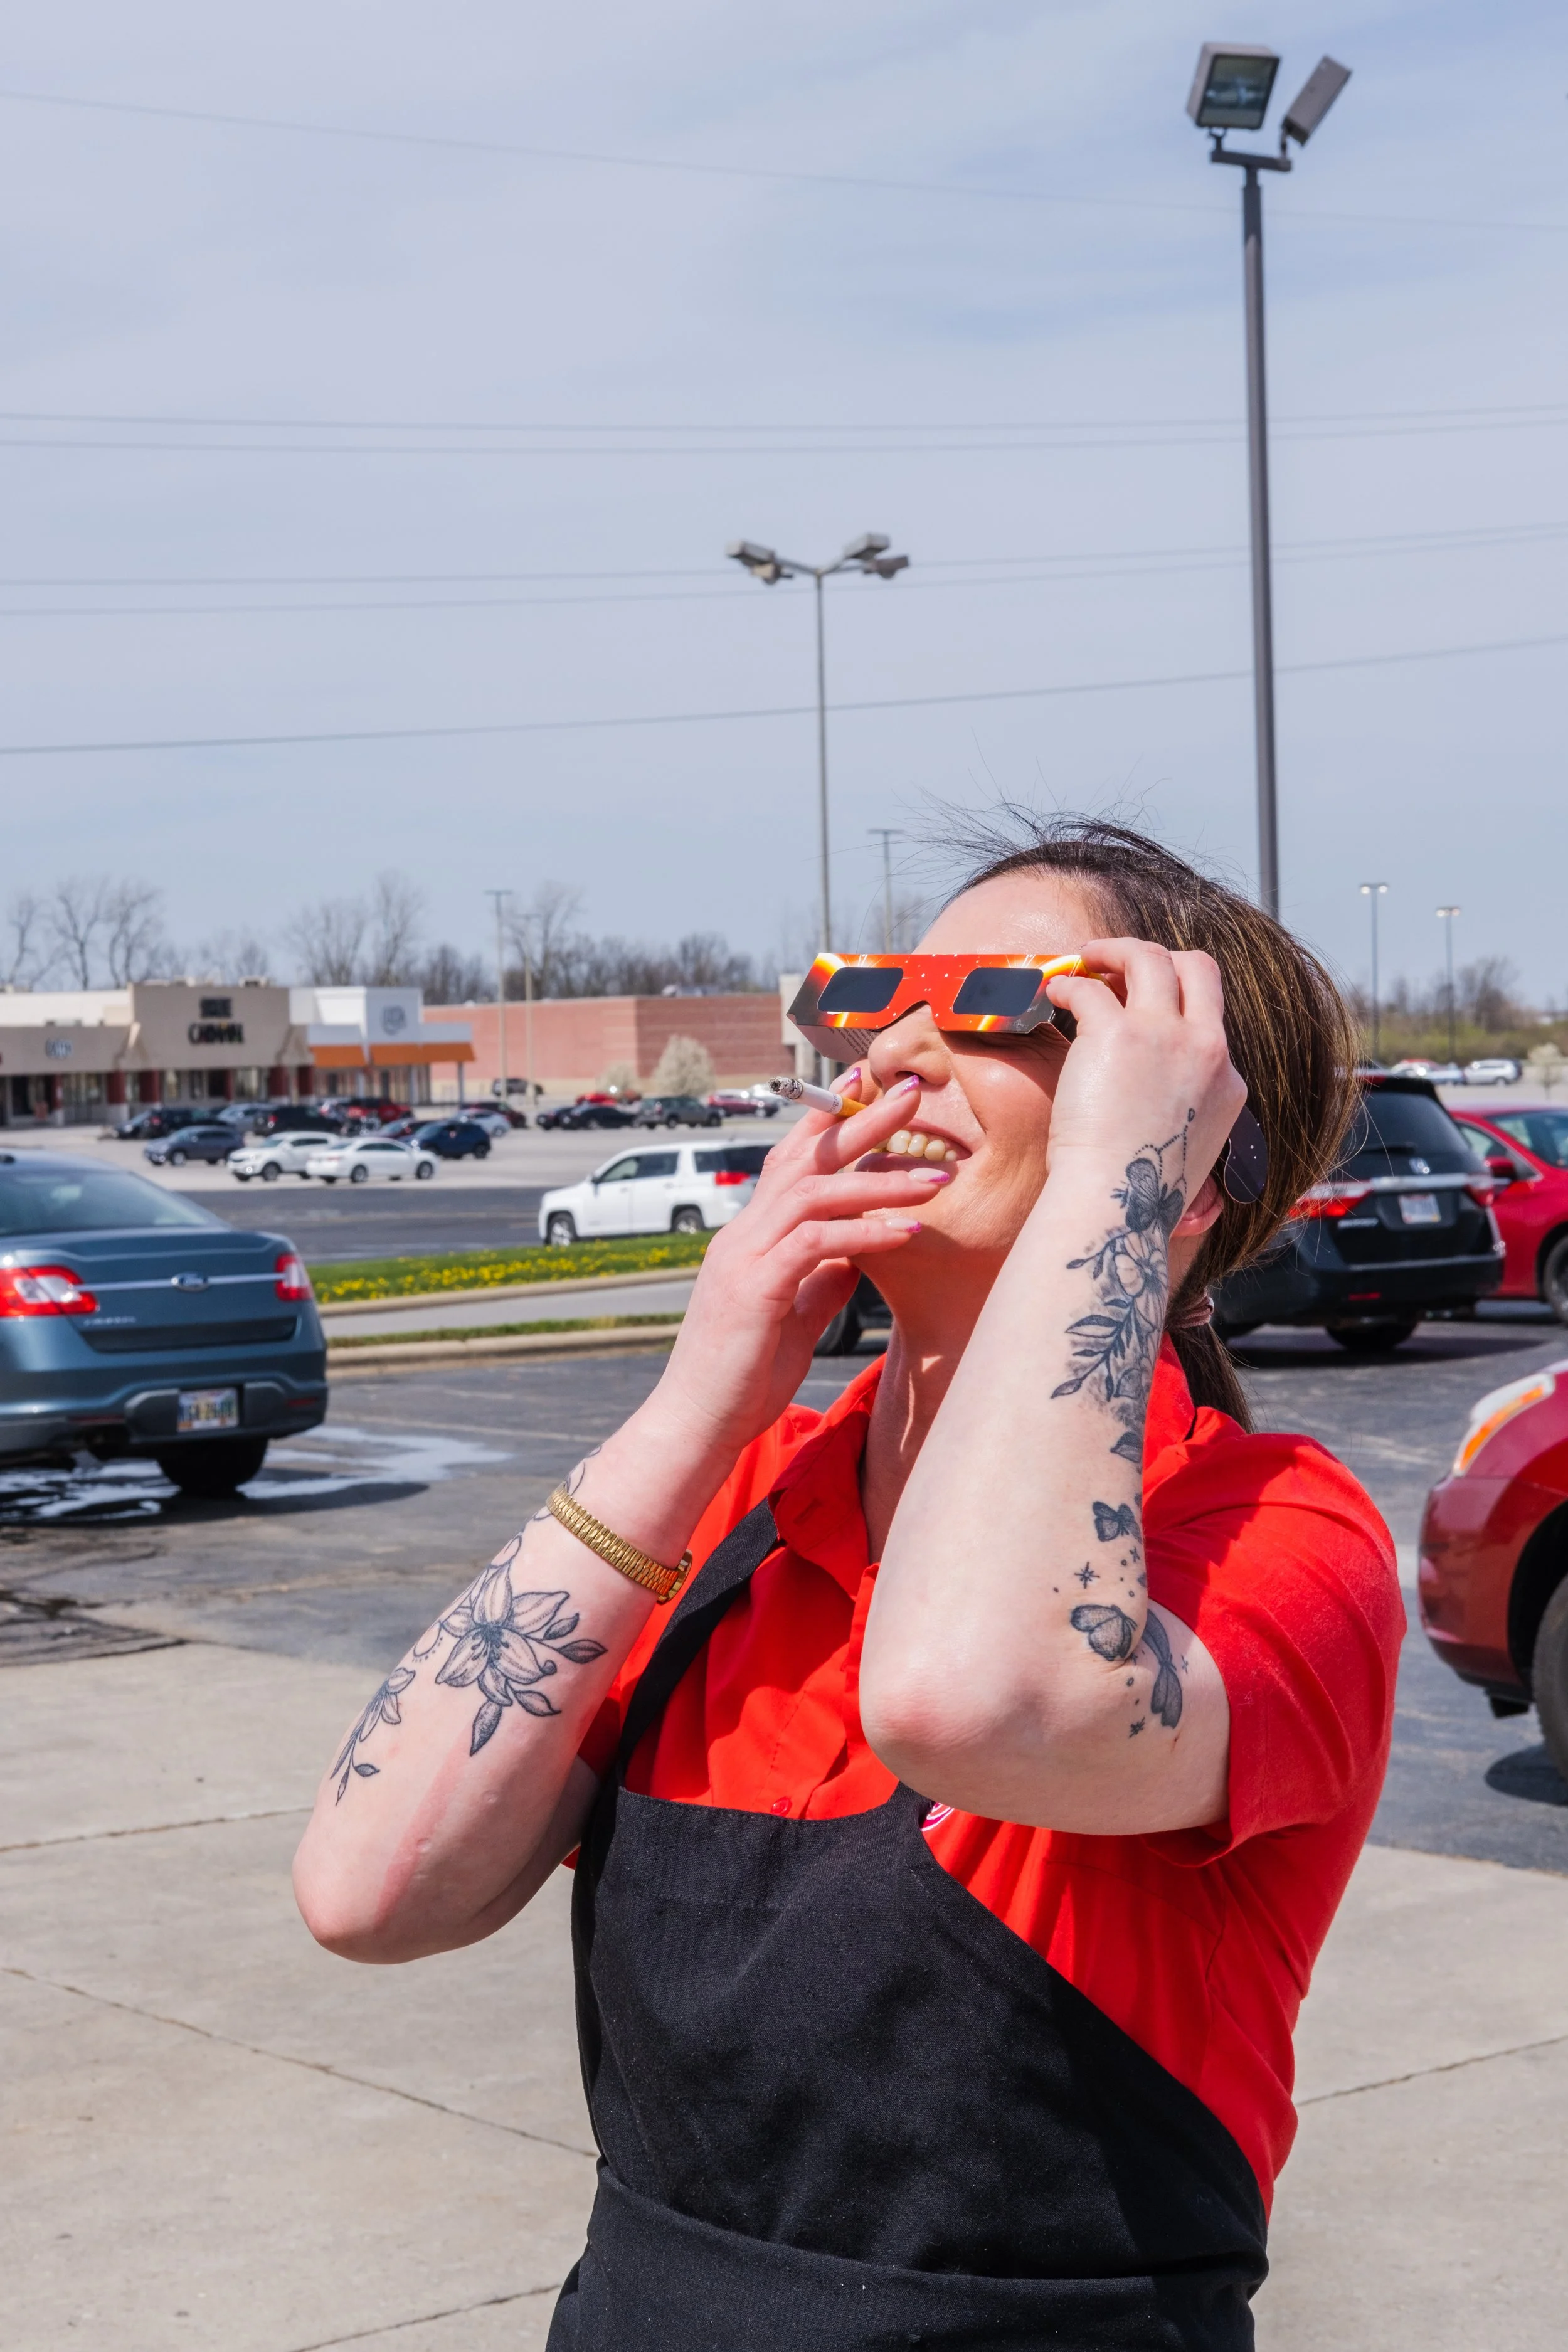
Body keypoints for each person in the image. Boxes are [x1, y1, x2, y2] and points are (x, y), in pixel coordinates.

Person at [295, 816, 1404, 2351]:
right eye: (881, 1000)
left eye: (1007, 1008)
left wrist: (1123, 1190)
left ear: (1187, 1145)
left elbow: (969, 1701)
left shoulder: (1268, 1532)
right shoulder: (737, 1502)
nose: (893, 1054)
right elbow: (372, 1889)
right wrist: (697, 1405)